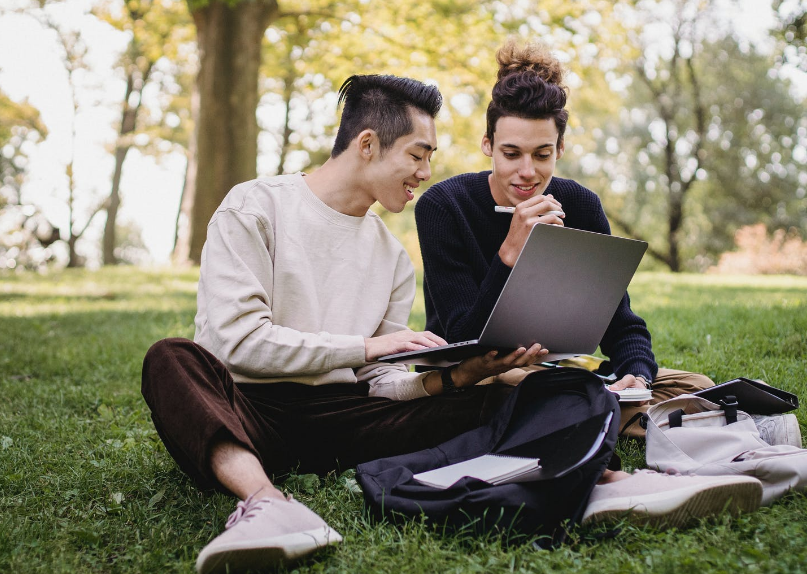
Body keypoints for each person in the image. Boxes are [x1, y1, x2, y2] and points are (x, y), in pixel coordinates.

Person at [141, 74, 550, 574]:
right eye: (417, 155)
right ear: (368, 144)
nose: (425, 173)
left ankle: (589, 477)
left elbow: (379, 385)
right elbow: (238, 343)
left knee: (499, 396)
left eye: (430, 159)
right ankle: (268, 503)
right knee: (172, 359)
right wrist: (366, 347)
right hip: (246, 405)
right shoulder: (253, 208)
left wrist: (457, 377)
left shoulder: (393, 258)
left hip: (344, 416)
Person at [414, 41, 715, 438]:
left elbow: (621, 323)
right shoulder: (444, 206)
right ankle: (686, 428)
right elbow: (462, 340)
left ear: (560, 148)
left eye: (542, 154)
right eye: (511, 154)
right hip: (483, 377)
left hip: (564, 368)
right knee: (539, 391)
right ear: (488, 145)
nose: (527, 172)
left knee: (696, 387)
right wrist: (510, 252)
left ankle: (631, 412)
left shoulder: (581, 206)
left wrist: (637, 378)